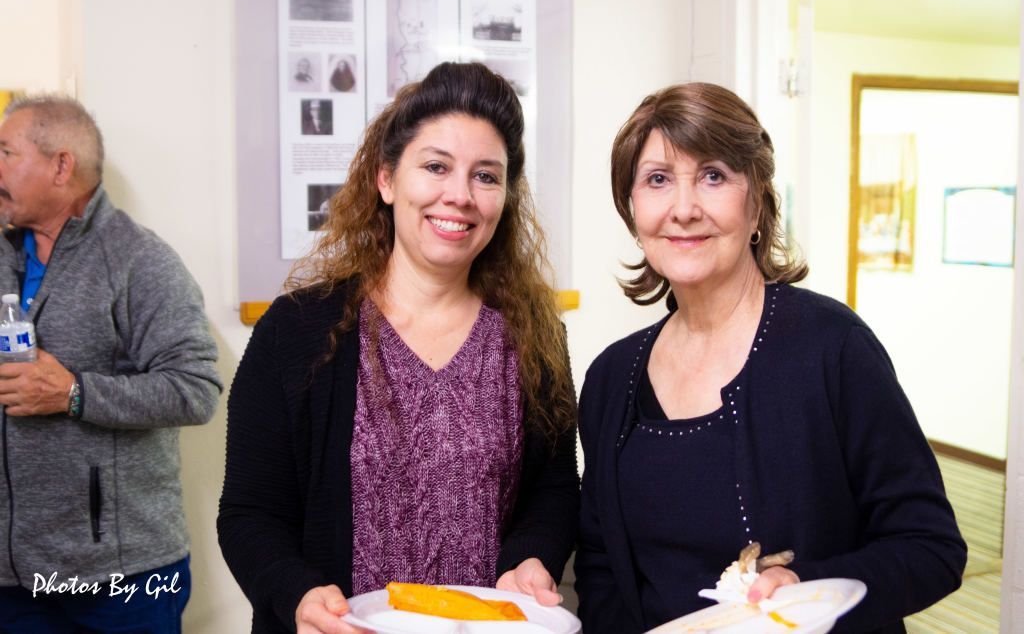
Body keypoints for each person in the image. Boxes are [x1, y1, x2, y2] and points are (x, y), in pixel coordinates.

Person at [573, 82, 966, 633]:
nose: (683, 209)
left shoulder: (832, 347)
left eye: (713, 175)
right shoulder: (611, 378)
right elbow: (601, 567)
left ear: (755, 200)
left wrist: (810, 587)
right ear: (632, 208)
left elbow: (932, 547)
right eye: (658, 180)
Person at [218, 62, 578, 634]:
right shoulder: (296, 331)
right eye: (435, 167)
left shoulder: (534, 335)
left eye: (486, 176)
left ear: (506, 196)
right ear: (386, 180)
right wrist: (299, 593)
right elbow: (249, 514)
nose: (459, 196)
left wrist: (530, 557)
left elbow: (555, 490)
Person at [0, 95, 221, 632]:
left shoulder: (140, 261)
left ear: (60, 165)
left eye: (6, 152)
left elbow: (196, 389)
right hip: (10, 579)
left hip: (123, 579)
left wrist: (75, 393)